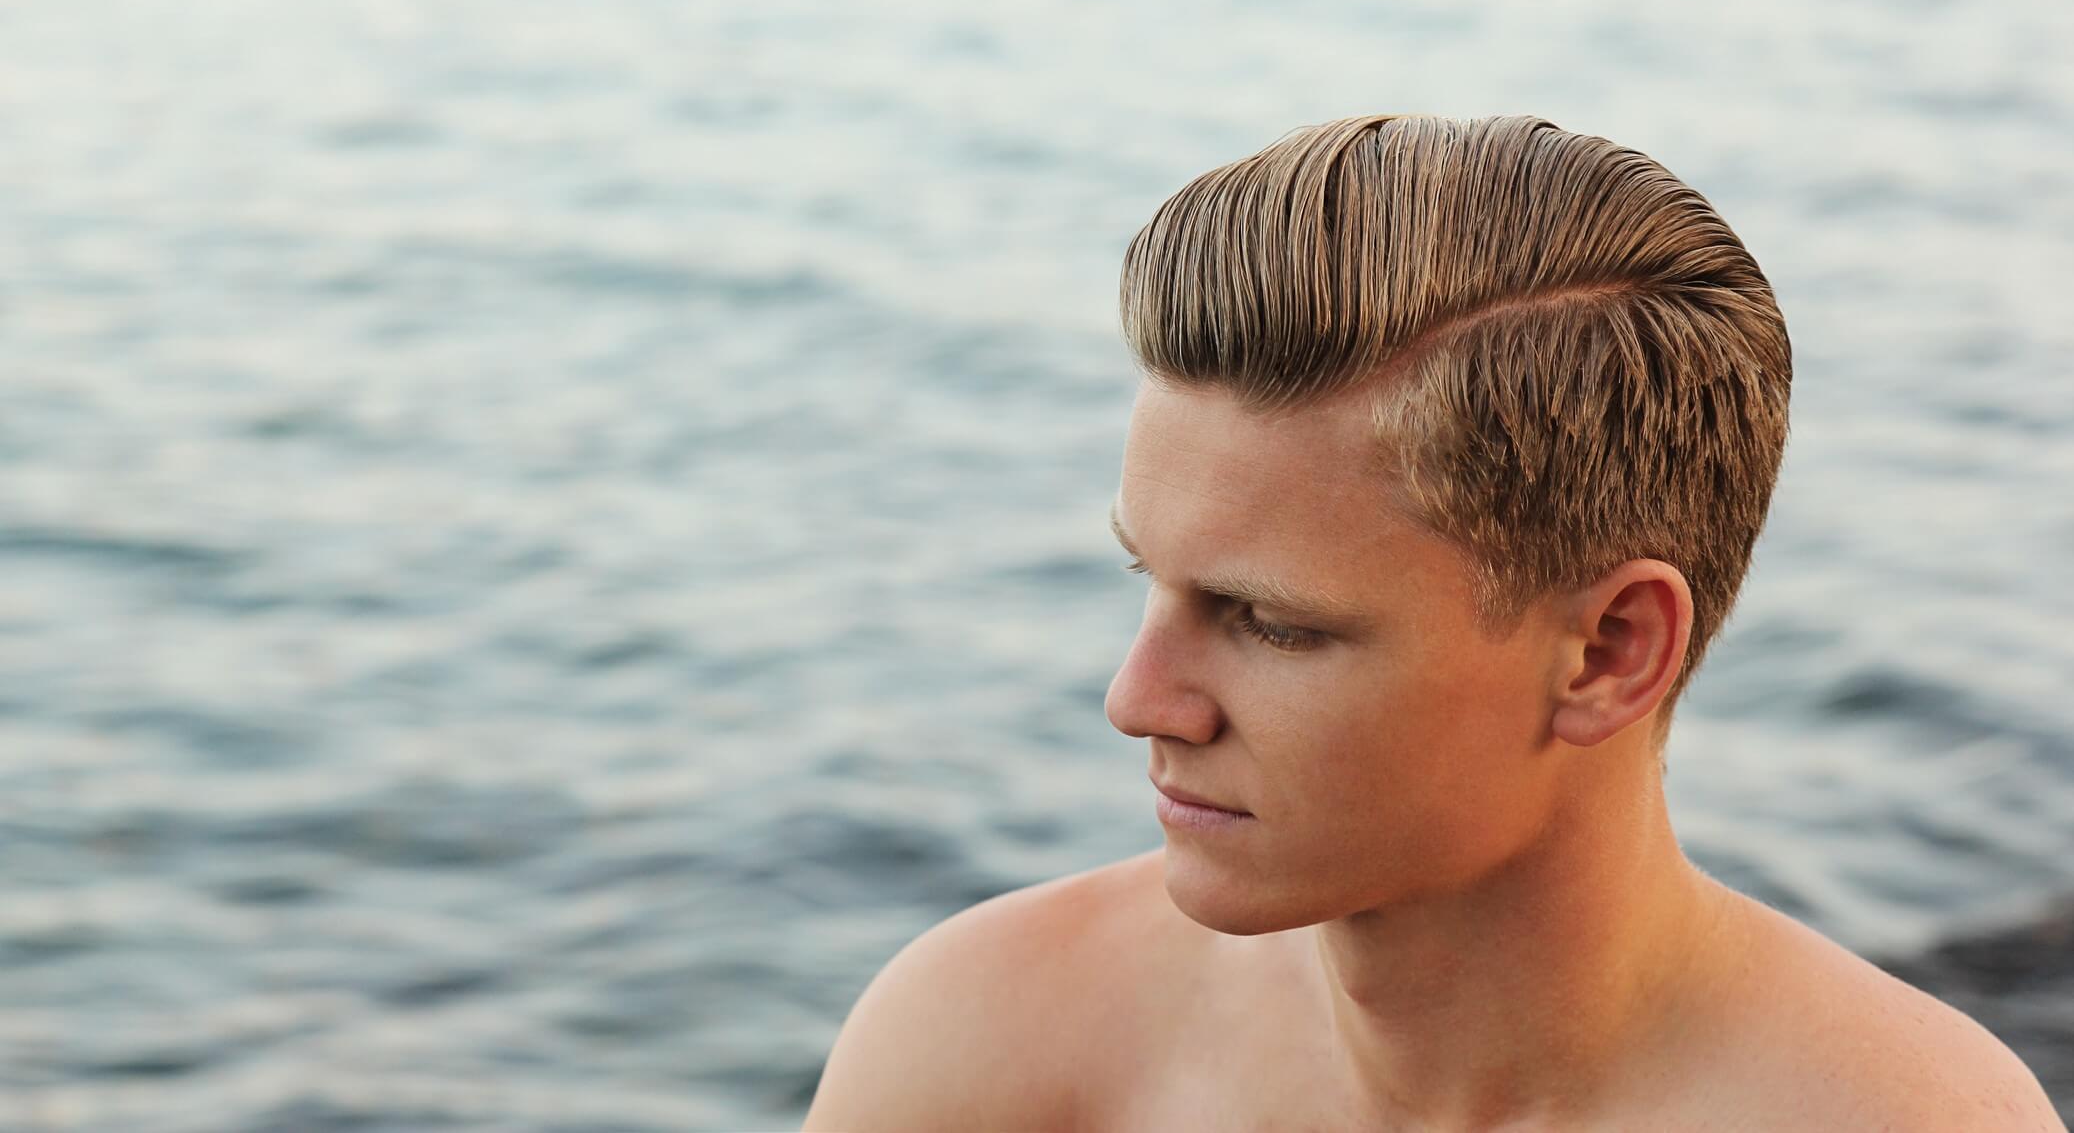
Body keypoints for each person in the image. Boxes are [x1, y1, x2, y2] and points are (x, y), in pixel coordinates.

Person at [802, 115, 2060, 1131]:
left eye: (1271, 624)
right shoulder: (990, 1041)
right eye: (1151, 579)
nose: (1140, 698)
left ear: (1610, 651)